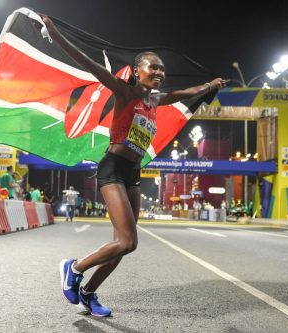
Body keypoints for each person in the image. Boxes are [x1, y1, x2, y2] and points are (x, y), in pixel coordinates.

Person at [41, 15, 226, 317]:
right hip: (113, 168)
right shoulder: (124, 91)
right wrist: (55, 34)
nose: (159, 72)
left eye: (162, 69)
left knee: (123, 244)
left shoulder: (155, 101)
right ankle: (74, 268)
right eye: (153, 67)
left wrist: (210, 85)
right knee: (128, 240)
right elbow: (90, 63)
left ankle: (88, 293)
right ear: (137, 71)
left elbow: (184, 94)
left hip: (133, 174)